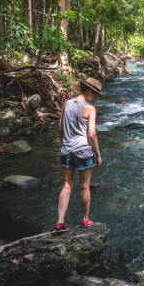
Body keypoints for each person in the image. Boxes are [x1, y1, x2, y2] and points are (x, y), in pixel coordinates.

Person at [55, 77, 103, 232]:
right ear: (89, 91)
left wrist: (64, 144)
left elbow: (61, 128)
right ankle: (85, 219)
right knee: (84, 187)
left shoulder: (66, 103)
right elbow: (92, 135)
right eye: (95, 94)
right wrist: (98, 154)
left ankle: (60, 223)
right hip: (83, 150)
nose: (95, 98)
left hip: (66, 150)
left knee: (67, 186)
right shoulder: (90, 108)